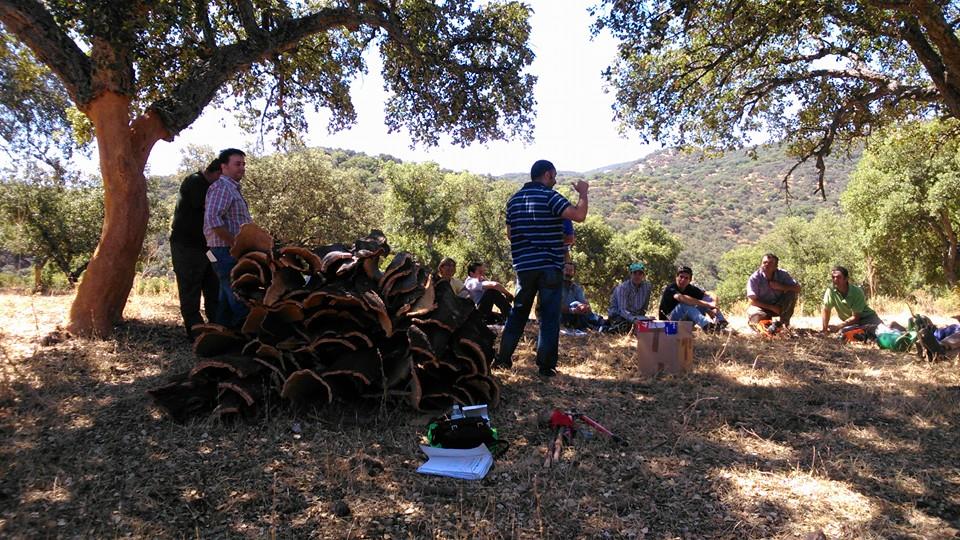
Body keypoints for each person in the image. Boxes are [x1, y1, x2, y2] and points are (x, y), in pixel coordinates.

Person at [494, 159, 589, 377]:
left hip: (524, 266)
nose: (554, 181)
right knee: (548, 316)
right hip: (549, 266)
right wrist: (583, 193)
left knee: (518, 313)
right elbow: (579, 216)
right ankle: (545, 367)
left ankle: (503, 360)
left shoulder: (514, 201)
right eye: (553, 177)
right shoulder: (550, 196)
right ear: (547, 174)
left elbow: (509, 234)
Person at [170, 158, 222, 339]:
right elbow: (209, 209)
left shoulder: (208, 185)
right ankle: (196, 334)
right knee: (190, 290)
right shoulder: (195, 182)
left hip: (207, 248)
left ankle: (217, 330)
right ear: (217, 173)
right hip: (187, 247)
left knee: (214, 286)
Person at [203, 148, 252, 328]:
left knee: (225, 295)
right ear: (224, 167)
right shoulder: (222, 187)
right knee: (236, 294)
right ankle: (246, 333)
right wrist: (234, 244)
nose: (242, 168)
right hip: (223, 251)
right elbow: (213, 219)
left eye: (243, 164)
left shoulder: (231, 188)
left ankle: (220, 336)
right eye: (237, 164)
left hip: (223, 251)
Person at [658, 265, 727, 332]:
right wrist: (708, 305)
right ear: (676, 277)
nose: (683, 280)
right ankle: (707, 326)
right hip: (668, 323)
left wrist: (714, 304)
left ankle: (721, 322)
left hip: (685, 322)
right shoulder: (671, 288)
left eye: (686, 278)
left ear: (690, 280)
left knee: (706, 299)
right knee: (684, 305)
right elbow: (681, 298)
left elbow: (710, 294)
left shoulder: (690, 288)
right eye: (681, 277)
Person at [821, 266, 883, 335]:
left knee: (883, 333)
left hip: (868, 318)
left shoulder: (856, 292)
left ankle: (892, 326)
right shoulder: (830, 290)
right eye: (833, 277)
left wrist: (838, 326)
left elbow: (856, 317)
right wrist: (824, 329)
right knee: (844, 333)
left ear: (846, 279)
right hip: (852, 324)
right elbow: (826, 309)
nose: (835, 279)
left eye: (838, 277)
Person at [746, 253, 801, 329]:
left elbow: (798, 288)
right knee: (758, 318)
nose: (766, 265)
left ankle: (784, 325)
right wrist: (771, 307)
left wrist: (781, 286)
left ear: (776, 267)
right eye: (764, 262)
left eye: (770, 263)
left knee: (791, 293)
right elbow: (752, 301)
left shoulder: (783, 274)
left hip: (779, 306)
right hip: (761, 307)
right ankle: (764, 327)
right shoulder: (755, 278)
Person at [605, 262, 654, 334]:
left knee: (650, 325)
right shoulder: (623, 288)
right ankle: (607, 328)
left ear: (643, 275)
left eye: (640, 273)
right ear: (631, 274)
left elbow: (644, 307)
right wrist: (634, 320)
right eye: (635, 273)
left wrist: (643, 319)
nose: (637, 276)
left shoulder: (647, 287)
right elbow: (622, 310)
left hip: (635, 316)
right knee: (624, 327)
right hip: (619, 315)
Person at [560, 261, 603, 331]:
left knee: (579, 306)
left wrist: (585, 307)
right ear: (562, 271)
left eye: (571, 271)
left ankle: (599, 324)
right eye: (566, 270)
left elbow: (584, 302)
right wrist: (572, 310)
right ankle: (595, 325)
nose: (568, 273)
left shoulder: (576, 288)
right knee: (575, 305)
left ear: (574, 273)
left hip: (576, 315)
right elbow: (555, 306)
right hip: (562, 316)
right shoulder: (556, 287)